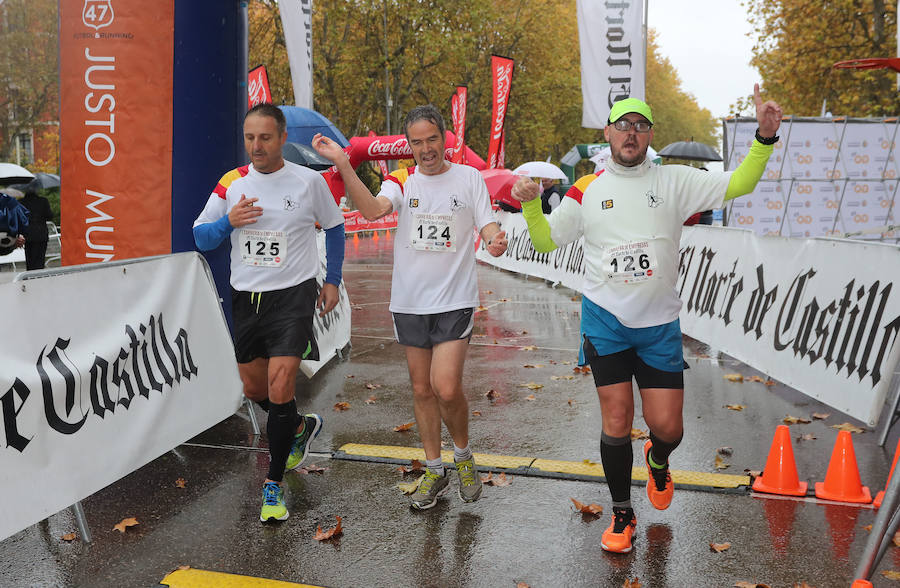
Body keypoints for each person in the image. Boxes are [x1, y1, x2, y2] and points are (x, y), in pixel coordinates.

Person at [512, 84, 782, 554]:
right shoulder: (586, 188)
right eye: (623, 125)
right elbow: (545, 243)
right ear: (608, 133)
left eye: (639, 125)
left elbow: (739, 183)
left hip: (658, 327)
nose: (631, 133)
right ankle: (622, 513)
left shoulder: (674, 181)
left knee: (669, 429)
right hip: (607, 323)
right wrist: (532, 204)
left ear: (650, 133)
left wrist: (764, 137)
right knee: (616, 419)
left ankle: (658, 461)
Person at [312, 104, 509, 510]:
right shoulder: (400, 181)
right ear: (409, 146)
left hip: (455, 300)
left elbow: (488, 224)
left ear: (444, 138)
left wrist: (494, 238)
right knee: (422, 389)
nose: (425, 149)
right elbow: (370, 210)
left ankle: (464, 456)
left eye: (432, 140)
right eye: (417, 143)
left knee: (446, 386)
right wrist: (342, 163)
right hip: (410, 302)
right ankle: (435, 470)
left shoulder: (469, 178)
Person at [192, 103, 346, 523]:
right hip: (247, 299)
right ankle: (297, 426)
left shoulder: (308, 181)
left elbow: (334, 226)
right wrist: (229, 222)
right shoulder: (232, 183)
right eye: (249, 137)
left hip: (292, 298)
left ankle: (273, 485)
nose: (256, 146)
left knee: (280, 387)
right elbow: (200, 237)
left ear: (281, 139)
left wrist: (331, 280)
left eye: (264, 137)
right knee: (254, 387)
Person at [20, 187, 53, 270]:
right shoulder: (43, 201)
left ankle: (30, 278)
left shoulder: (21, 202)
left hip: (27, 235)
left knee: (30, 260)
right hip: (41, 234)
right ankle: (39, 278)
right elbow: (50, 216)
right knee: (40, 259)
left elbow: (18, 218)